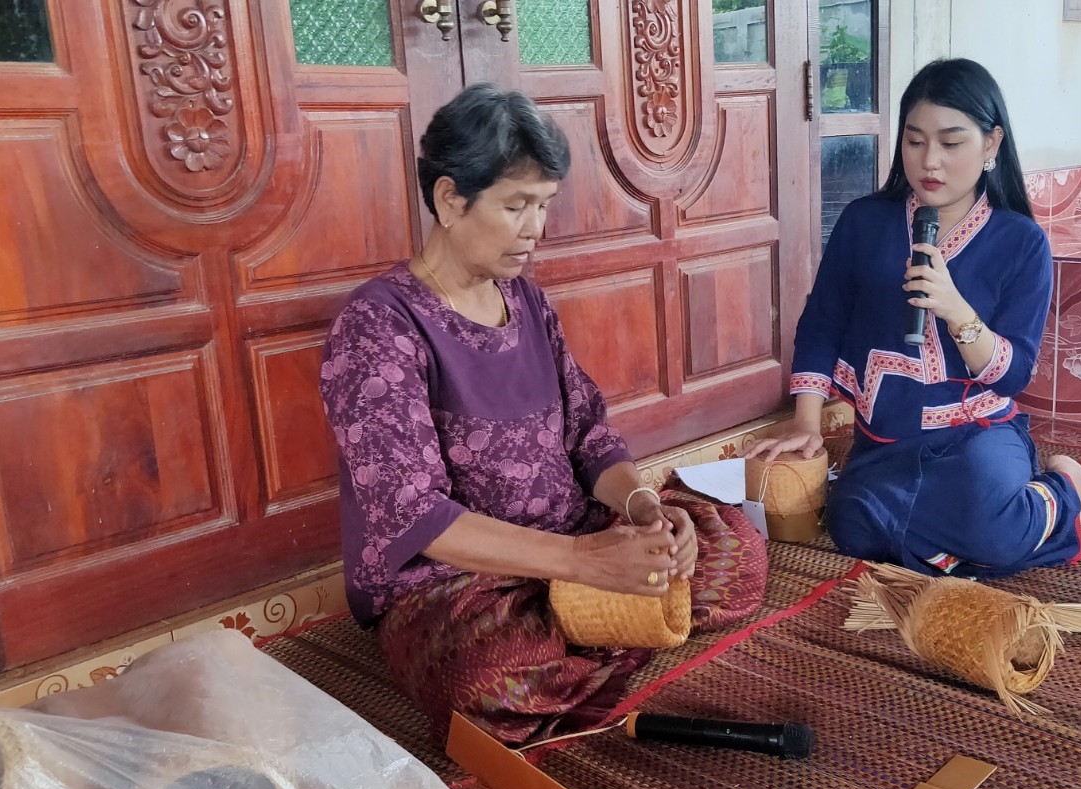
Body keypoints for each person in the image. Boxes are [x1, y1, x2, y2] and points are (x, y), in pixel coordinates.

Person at [319, 84, 766, 745]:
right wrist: (582, 563)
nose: (536, 228)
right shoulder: (379, 325)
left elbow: (589, 435)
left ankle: (590, 621)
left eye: (544, 205)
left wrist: (642, 508)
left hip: (571, 532)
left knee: (736, 550)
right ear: (450, 199)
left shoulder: (524, 299)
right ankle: (597, 619)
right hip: (462, 581)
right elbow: (416, 517)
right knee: (490, 682)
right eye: (516, 206)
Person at [748, 59, 1081, 578]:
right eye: (915, 141)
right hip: (887, 439)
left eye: (951, 142)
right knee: (854, 529)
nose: (930, 161)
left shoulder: (1022, 242)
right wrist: (808, 421)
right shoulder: (864, 221)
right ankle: (1003, 521)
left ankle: (1065, 485)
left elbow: (1015, 375)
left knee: (993, 533)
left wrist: (955, 307)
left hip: (977, 435)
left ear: (991, 144)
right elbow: (822, 322)